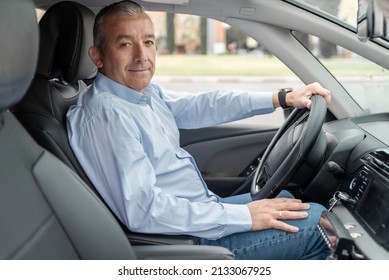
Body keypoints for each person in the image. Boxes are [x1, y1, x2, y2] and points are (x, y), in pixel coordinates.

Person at [67, 0, 331, 259]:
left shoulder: (139, 95)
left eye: (148, 42)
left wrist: (281, 98)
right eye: (125, 44)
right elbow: (143, 210)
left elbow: (202, 105)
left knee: (295, 203)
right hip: (182, 241)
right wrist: (246, 217)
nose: (141, 56)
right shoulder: (107, 114)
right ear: (97, 56)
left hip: (196, 214)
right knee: (318, 232)